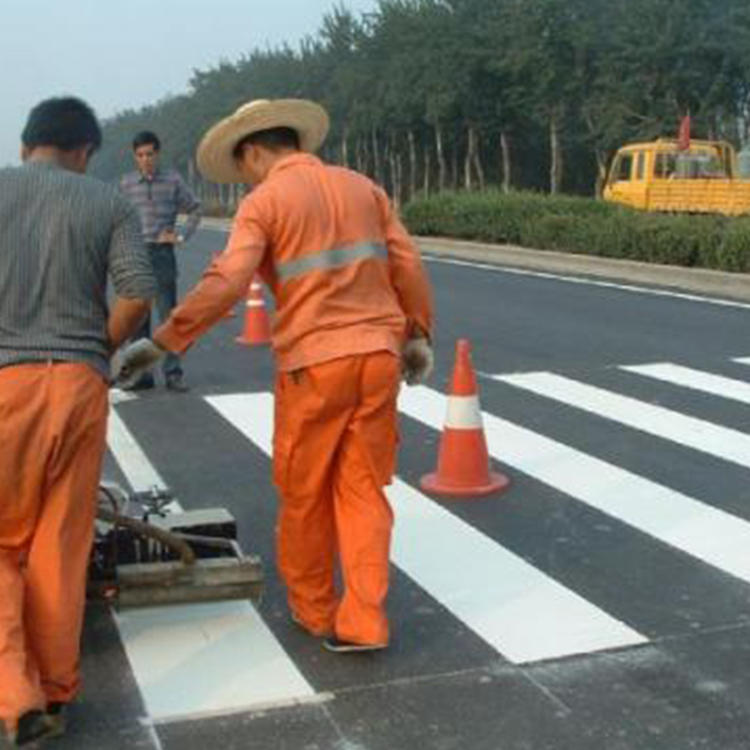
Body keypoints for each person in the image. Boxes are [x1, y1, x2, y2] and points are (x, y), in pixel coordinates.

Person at [118, 98, 434, 653]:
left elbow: (226, 281)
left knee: (305, 490)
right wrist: (419, 335)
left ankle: (314, 611)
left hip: (315, 365)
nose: (243, 181)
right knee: (363, 490)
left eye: (242, 170)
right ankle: (365, 620)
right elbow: (406, 262)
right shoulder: (365, 188)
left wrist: (164, 340)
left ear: (256, 152)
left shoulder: (266, 202)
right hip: (379, 356)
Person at [0, 97, 155, 747]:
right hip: (79, 386)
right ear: (85, 151)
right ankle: (56, 691)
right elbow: (139, 291)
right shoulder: (108, 202)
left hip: (4, 386)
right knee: (59, 547)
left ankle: (14, 693)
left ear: (25, 144)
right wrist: (100, 351)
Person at [119, 130, 202, 392]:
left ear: (158, 154)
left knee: (169, 318)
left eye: (150, 154)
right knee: (138, 320)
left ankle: (173, 373)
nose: (146, 159)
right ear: (135, 157)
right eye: (140, 155)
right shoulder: (127, 184)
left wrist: (179, 235)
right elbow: (117, 218)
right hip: (136, 256)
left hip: (162, 254)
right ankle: (141, 376)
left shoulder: (173, 180)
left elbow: (196, 208)